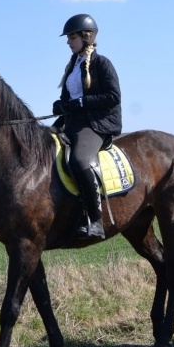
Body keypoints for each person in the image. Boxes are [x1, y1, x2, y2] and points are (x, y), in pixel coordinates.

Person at [52, 14, 122, 240]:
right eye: (69, 37)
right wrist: (60, 106)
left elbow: (113, 96)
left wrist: (82, 103)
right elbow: (68, 99)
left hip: (97, 124)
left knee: (80, 160)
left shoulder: (103, 64)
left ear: (87, 36)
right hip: (73, 122)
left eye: (72, 37)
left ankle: (96, 220)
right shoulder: (72, 65)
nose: (68, 42)